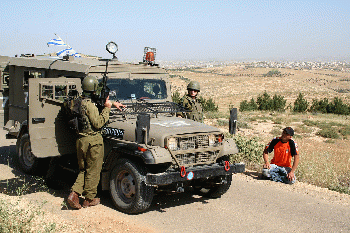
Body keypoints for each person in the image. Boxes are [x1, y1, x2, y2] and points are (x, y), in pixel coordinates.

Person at [67, 76, 124, 209]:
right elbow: (98, 123)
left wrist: (112, 102)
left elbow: (95, 103)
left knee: (83, 170)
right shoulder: (90, 105)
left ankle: (74, 195)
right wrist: (107, 108)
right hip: (93, 142)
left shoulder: (77, 102)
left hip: (81, 140)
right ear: (93, 89)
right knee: (94, 170)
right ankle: (89, 199)